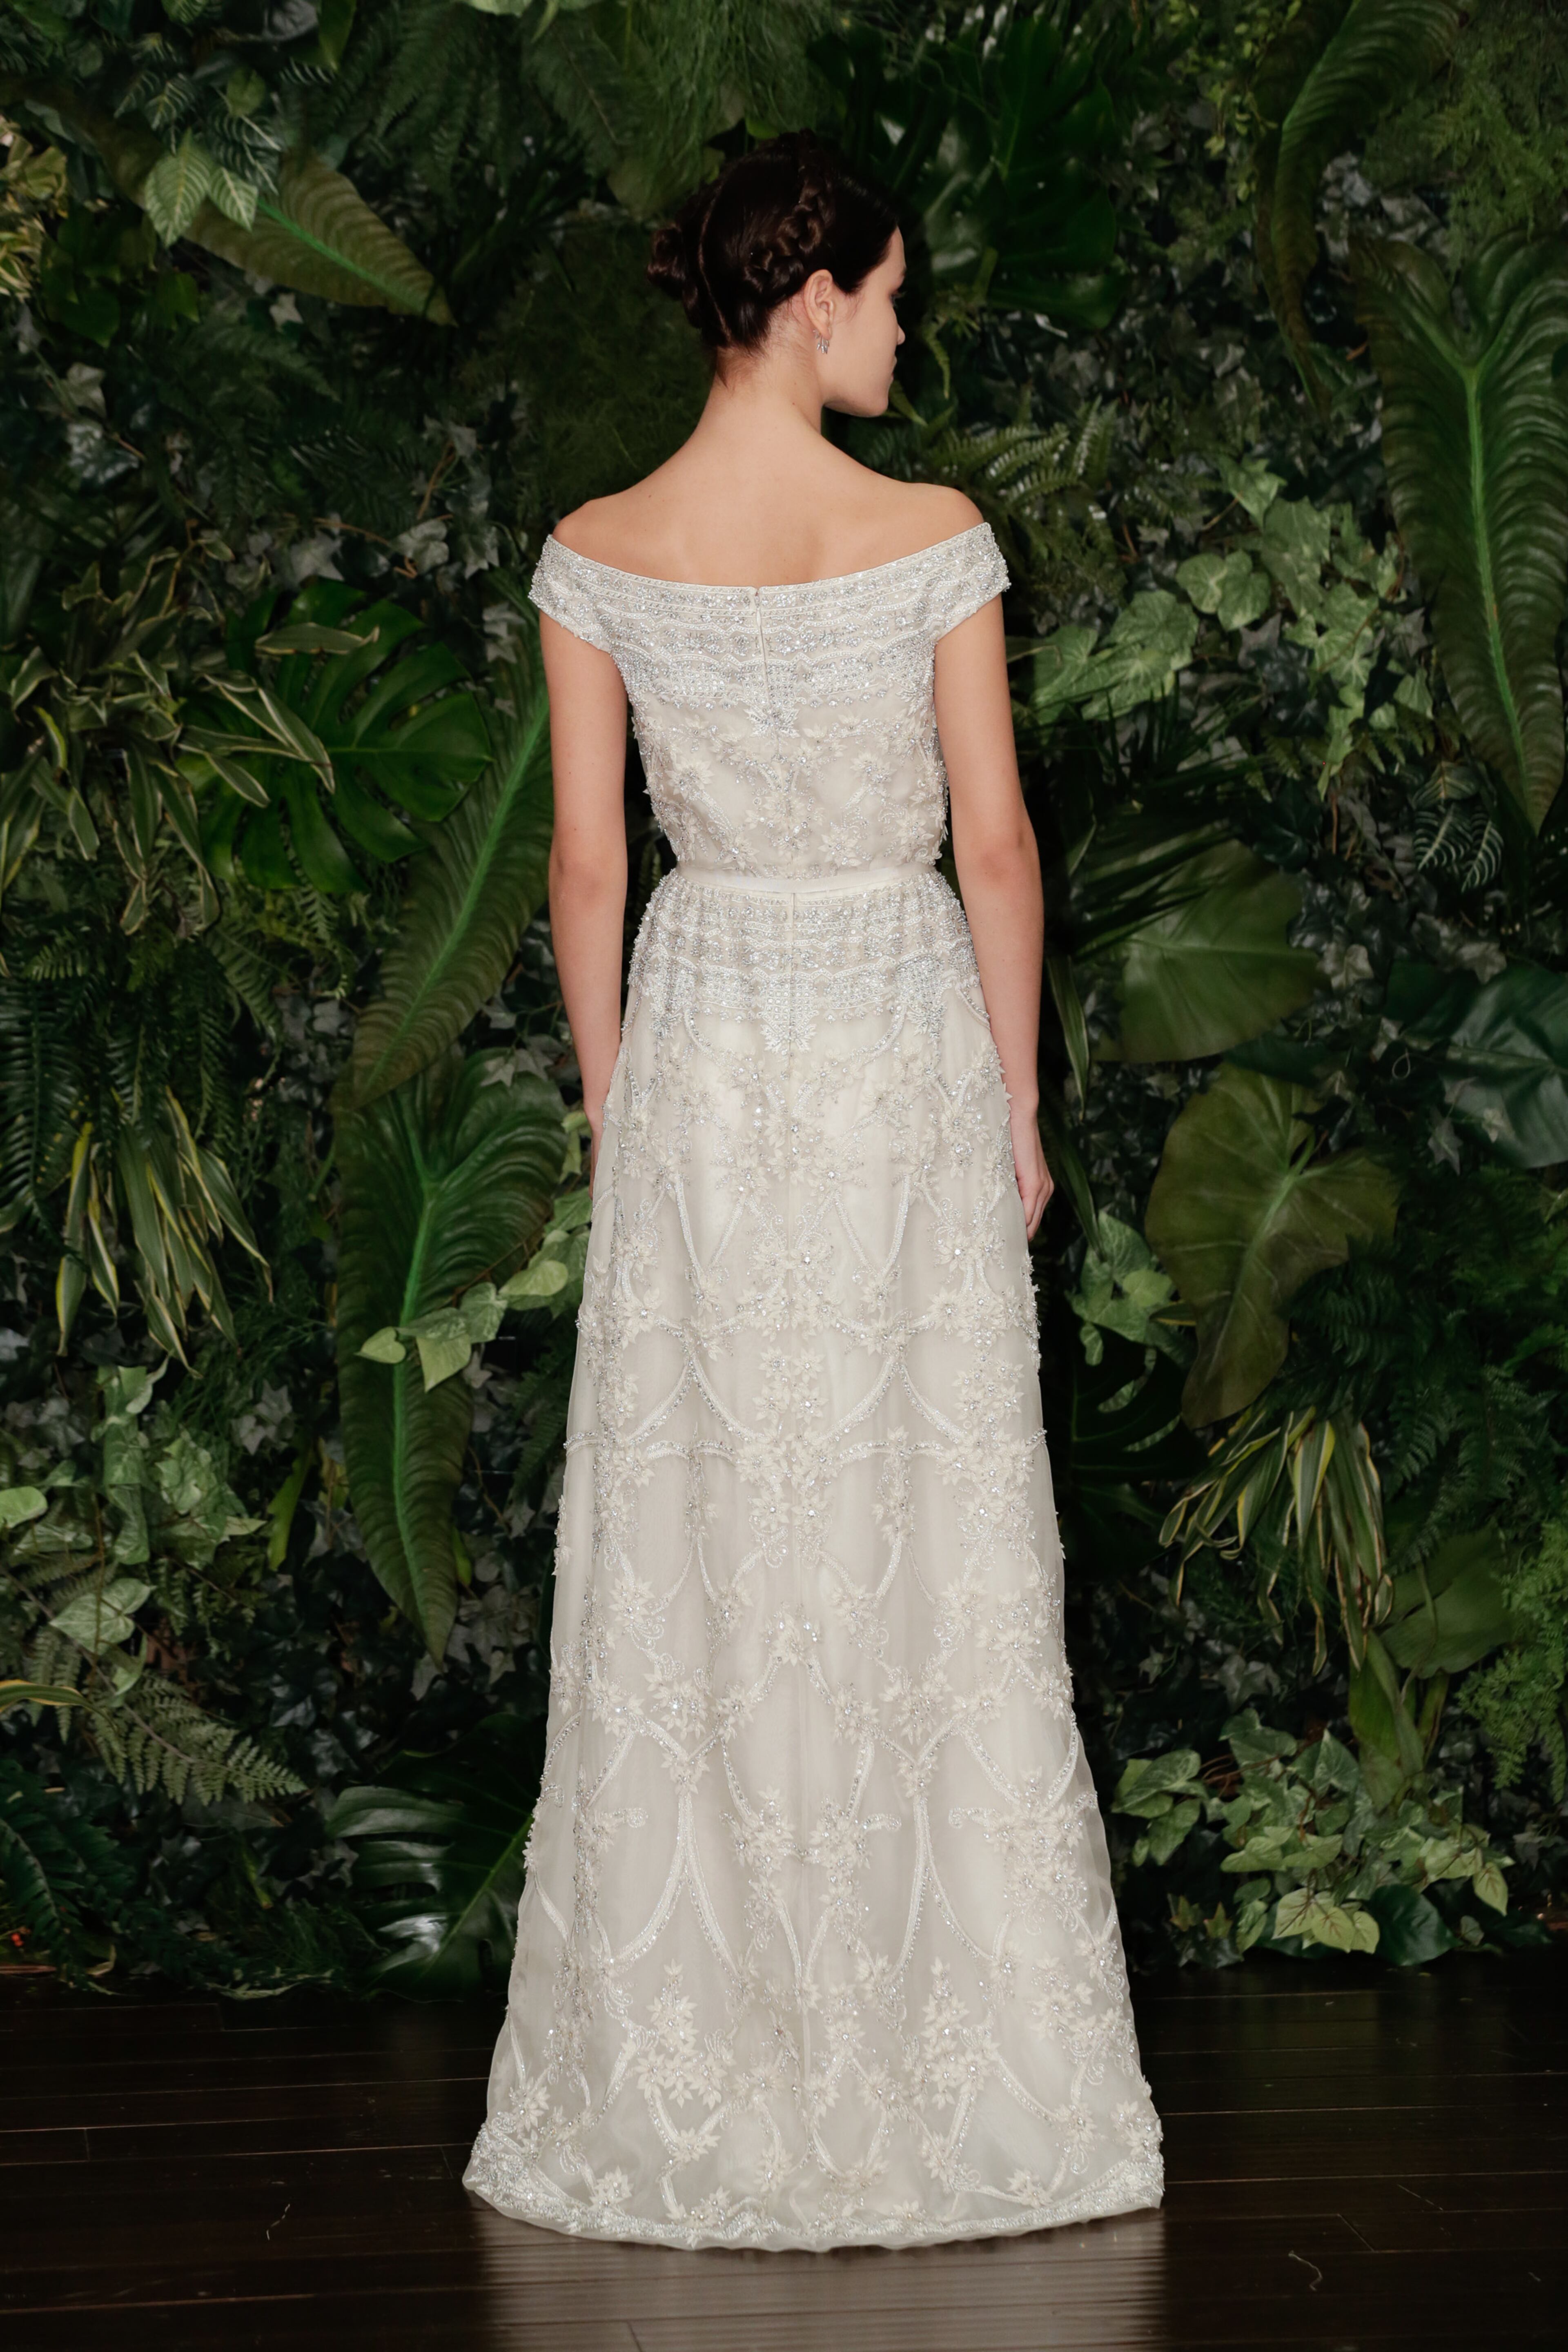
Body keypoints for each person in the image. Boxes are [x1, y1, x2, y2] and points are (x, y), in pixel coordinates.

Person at [464, 131, 1163, 2252]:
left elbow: (588, 863)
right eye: (893, 293)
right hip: (892, 1041)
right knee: (917, 1523)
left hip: (705, 1047)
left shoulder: (598, 552)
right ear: (815, 296)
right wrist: (1016, 1100)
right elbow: (997, 845)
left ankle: (699, 2056)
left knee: (709, 1534)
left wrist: (617, 1109)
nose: (907, 329)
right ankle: (946, 2051)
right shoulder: (931, 538)